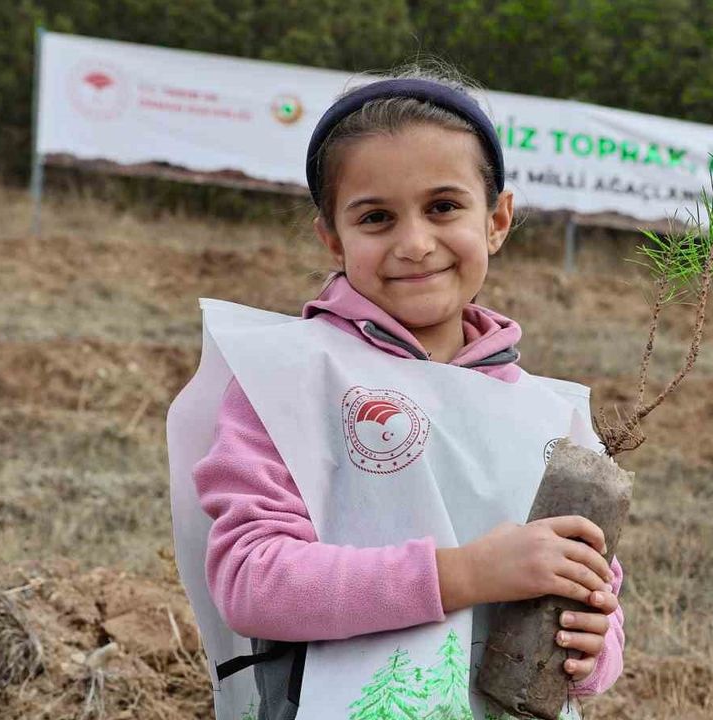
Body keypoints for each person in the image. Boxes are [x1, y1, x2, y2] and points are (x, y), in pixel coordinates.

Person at [175, 63, 625, 720]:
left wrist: (594, 649)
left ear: (498, 220)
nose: (415, 244)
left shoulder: (554, 418)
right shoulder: (288, 379)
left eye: (444, 207)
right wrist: (467, 574)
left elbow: (599, 600)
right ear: (332, 236)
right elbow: (251, 581)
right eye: (376, 217)